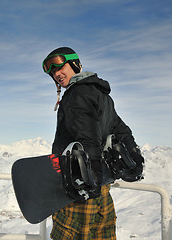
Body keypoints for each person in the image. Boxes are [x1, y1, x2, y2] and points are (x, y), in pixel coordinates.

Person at [42, 47, 144, 239]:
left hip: (80, 189)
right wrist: (136, 160)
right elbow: (121, 130)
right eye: (52, 72)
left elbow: (86, 138)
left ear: (75, 64)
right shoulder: (101, 94)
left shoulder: (75, 94)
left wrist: (91, 182)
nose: (56, 74)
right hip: (102, 191)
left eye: (59, 67)